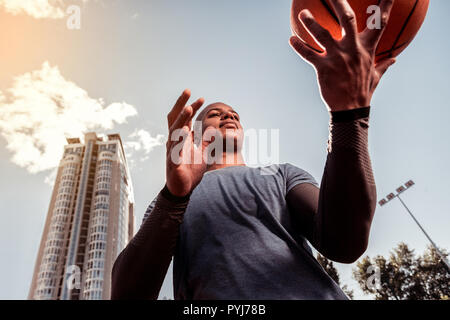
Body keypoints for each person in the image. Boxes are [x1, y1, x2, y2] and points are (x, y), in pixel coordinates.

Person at [111, 0, 397, 300]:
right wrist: (173, 198)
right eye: (214, 113)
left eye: (233, 112)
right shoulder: (172, 199)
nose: (228, 115)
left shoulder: (282, 176)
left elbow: (345, 243)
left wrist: (349, 116)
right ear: (193, 135)